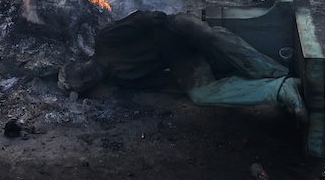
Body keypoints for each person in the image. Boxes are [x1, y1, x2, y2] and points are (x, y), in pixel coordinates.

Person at [58, 10, 307, 125]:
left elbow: (143, 19)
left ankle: (276, 73)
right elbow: (169, 83)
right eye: (85, 82)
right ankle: (280, 89)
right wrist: (196, 82)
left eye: (81, 73)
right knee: (201, 94)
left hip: (176, 29)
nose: (88, 77)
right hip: (181, 60)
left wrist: (170, 23)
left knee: (211, 37)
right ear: (90, 86)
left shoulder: (104, 40)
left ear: (82, 64)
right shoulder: (125, 79)